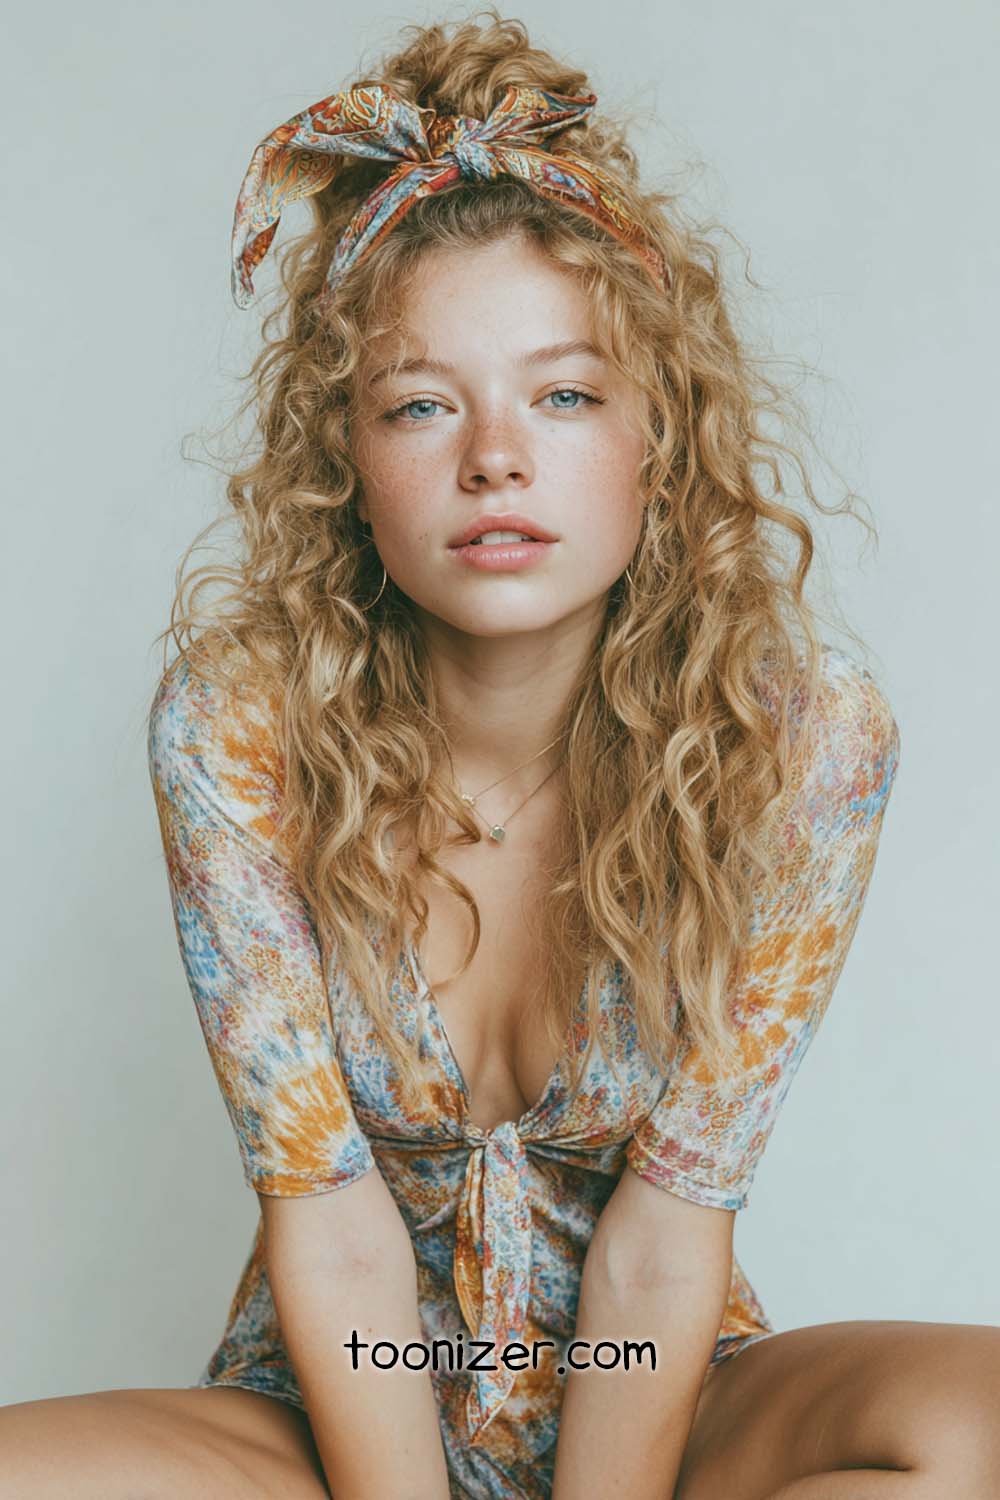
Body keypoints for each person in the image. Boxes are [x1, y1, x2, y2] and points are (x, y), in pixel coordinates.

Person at [3, 11, 997, 1500]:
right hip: (344, 1412)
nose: (495, 458)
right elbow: (330, 1226)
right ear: (345, 454)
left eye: (566, 393)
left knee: (978, 1420)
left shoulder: (800, 735)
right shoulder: (239, 725)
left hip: (653, 1400)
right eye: (421, 404)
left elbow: (666, 1236)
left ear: (658, 433)